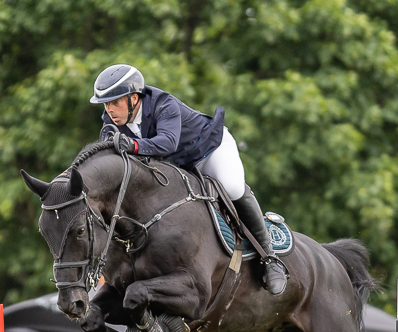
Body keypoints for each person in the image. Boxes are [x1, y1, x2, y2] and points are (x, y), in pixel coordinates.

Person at [90, 63, 288, 296]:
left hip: (209, 150)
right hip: (178, 166)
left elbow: (168, 142)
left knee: (232, 188)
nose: (109, 110)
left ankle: (269, 258)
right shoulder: (111, 122)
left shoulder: (165, 104)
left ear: (134, 98)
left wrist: (132, 145)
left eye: (115, 102)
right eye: (105, 104)